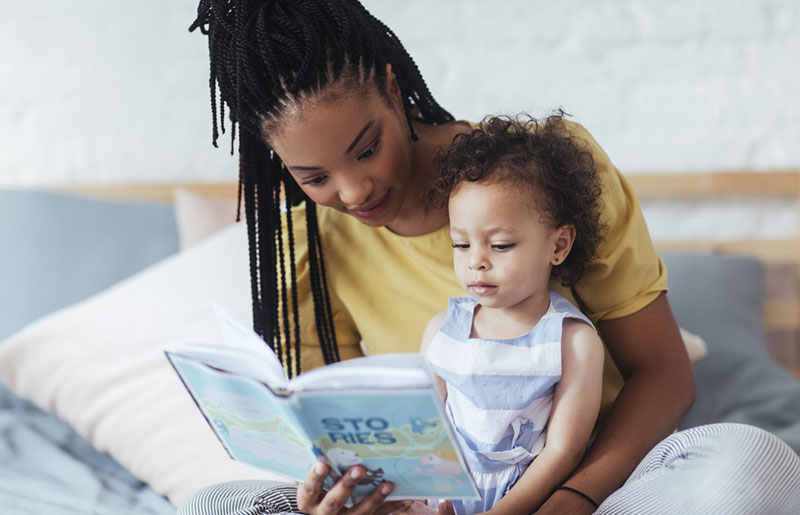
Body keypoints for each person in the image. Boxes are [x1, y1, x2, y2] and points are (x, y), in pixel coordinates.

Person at [179, 1, 800, 514]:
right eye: (313, 176)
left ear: (393, 88)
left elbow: (665, 374)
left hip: (598, 490)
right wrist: (342, 498)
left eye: (367, 150)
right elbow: (340, 436)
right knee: (213, 505)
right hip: (434, 504)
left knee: (750, 461)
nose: (354, 191)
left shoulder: (544, 174)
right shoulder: (308, 246)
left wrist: (570, 500)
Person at [419, 114, 605, 515]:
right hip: (443, 497)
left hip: (528, 501)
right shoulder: (443, 331)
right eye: (461, 245)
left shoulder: (572, 341)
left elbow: (562, 452)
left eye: (500, 245)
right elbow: (423, 433)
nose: (476, 263)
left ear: (558, 245)